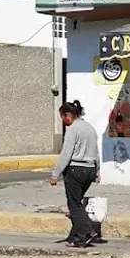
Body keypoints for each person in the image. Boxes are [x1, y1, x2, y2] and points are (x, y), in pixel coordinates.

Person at [50, 100, 100, 248]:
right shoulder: (90, 128)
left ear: (68, 114)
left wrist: (55, 174)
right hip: (89, 170)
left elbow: (66, 154)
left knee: (74, 205)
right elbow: (96, 153)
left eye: (63, 117)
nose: (64, 121)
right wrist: (97, 171)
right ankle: (75, 238)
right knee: (77, 204)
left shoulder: (73, 129)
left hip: (75, 170)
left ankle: (88, 231)